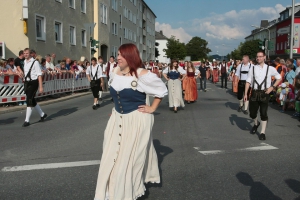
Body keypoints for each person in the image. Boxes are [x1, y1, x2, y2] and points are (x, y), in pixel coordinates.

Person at [94, 43, 167, 200]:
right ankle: (111, 194)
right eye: (118, 54)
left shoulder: (142, 74)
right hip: (117, 120)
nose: (118, 58)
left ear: (131, 57)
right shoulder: (115, 72)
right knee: (111, 158)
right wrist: (116, 111)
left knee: (128, 162)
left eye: (121, 55)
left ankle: (126, 194)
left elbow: (161, 90)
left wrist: (152, 108)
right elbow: (117, 96)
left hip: (137, 120)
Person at [244, 50, 281, 140]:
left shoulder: (270, 68)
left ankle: (262, 132)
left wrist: (272, 87)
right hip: (254, 92)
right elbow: (248, 81)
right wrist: (245, 94)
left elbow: (279, 78)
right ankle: (256, 123)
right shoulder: (252, 68)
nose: (258, 58)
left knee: (263, 113)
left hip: (265, 93)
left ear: (264, 57)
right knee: (252, 113)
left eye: (260, 56)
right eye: (257, 56)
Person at [22, 48, 47, 127]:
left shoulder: (35, 62)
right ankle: (42, 114)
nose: (25, 54)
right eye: (24, 53)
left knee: (29, 99)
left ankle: (27, 120)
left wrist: (40, 86)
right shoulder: (24, 62)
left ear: (30, 54)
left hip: (34, 83)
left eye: (27, 53)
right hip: (27, 83)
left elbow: (39, 75)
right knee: (32, 100)